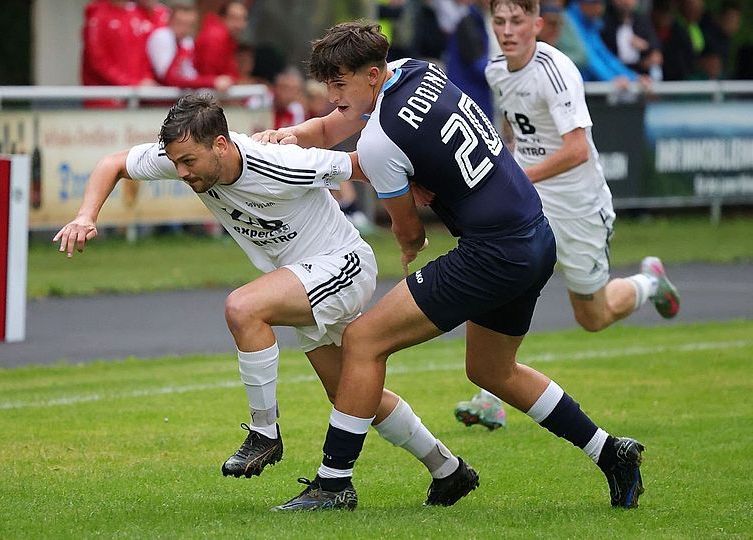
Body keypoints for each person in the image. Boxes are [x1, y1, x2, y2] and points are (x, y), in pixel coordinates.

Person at [254, 19, 645, 511]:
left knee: (363, 340)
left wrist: (404, 230)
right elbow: (342, 125)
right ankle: (612, 453)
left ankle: (333, 483)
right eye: (328, 84)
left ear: (372, 75)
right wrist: (296, 135)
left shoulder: (379, 140)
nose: (333, 95)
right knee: (491, 369)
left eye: (340, 84)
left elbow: (409, 229)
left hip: (494, 251)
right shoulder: (418, 71)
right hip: (534, 235)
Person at [53, 94, 472, 504]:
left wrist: (419, 186)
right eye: (176, 162)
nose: (180, 173)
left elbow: (360, 164)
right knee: (351, 392)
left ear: (220, 144)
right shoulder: (186, 154)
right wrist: (86, 215)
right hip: (303, 278)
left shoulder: (279, 163)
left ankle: (265, 434)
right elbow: (113, 164)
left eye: (188, 162)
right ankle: (447, 470)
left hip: (342, 265)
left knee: (243, 307)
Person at [456, 0, 683, 431]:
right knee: (500, 277)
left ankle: (649, 281)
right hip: (530, 202)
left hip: (579, 204)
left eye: (517, 21)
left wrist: (521, 178)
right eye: (499, 21)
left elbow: (577, 149)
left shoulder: (555, 71)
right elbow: (511, 130)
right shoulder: (495, 70)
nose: (507, 30)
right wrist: (506, 169)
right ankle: (490, 396)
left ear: (537, 25)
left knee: (591, 317)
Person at [146, 4, 234, 91]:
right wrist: (211, 82)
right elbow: (169, 79)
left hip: (172, 98)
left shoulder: (187, 41)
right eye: (180, 23)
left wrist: (213, 81)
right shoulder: (162, 36)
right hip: (151, 98)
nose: (184, 29)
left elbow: (190, 76)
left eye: (189, 25)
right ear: (170, 21)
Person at [195, 0, 248, 80]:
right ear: (222, 18)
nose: (239, 25)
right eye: (234, 18)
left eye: (242, 19)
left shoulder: (228, 40)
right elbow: (208, 75)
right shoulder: (215, 38)